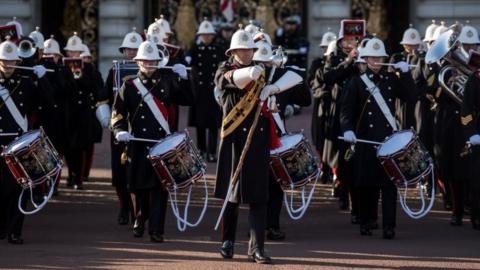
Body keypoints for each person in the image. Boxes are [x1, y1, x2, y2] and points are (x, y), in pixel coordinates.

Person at [111, 38, 192, 242]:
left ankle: (156, 229)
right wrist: (119, 130)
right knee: (138, 187)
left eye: (152, 61)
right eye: (145, 61)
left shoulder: (167, 81)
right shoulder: (129, 84)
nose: (148, 64)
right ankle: (141, 217)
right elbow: (118, 113)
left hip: (161, 143)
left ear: (158, 61)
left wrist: (184, 79)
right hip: (137, 143)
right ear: (138, 62)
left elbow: (188, 100)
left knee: (159, 188)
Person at [214, 29, 281, 264]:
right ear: (233, 52)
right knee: (232, 195)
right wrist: (254, 74)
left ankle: (257, 248)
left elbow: (294, 93)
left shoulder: (265, 72)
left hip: (257, 140)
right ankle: (228, 241)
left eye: (249, 50)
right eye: (241, 50)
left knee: (258, 197)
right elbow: (228, 81)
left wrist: (273, 96)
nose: (246, 53)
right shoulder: (224, 69)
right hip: (234, 139)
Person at [340, 37, 416, 239]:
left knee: (389, 185)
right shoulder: (356, 82)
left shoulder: (391, 79)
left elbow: (412, 96)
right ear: (365, 59)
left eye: (379, 57)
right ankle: (367, 221)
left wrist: (406, 74)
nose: (375, 61)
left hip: (388, 140)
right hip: (365, 139)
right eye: (371, 58)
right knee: (367, 184)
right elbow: (346, 111)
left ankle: (389, 225)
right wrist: (348, 129)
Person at [0, 38, 53, 244]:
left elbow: (48, 104)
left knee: (18, 188)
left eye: (11, 60)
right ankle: (2, 226)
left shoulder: (25, 82)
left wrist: (42, 80)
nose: (7, 64)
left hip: (17, 143)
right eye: (4, 60)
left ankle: (15, 231)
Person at [98, 28, 143, 225]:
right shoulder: (114, 71)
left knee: (141, 172)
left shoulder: (151, 71)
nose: (131, 53)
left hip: (141, 130)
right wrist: (107, 119)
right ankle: (124, 207)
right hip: (120, 128)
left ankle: (139, 212)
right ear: (123, 52)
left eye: (135, 49)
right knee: (119, 172)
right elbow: (102, 98)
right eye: (128, 50)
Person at [187, 18, 223, 162]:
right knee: (200, 124)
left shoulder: (218, 49)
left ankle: (212, 152)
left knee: (214, 124)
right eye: (203, 34)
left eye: (208, 35)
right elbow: (188, 61)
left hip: (214, 90)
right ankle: (201, 150)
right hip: (199, 91)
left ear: (213, 36)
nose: (206, 37)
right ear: (199, 36)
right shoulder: (195, 49)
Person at [460, 69, 480, 230]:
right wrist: (471, 133)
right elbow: (466, 109)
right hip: (479, 133)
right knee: (477, 180)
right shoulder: (476, 77)